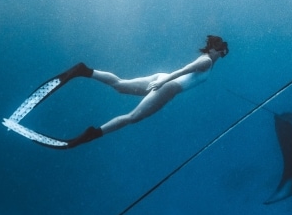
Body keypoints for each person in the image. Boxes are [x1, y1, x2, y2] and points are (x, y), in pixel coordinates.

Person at [59, 35, 229, 148]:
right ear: (217, 50)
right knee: (133, 117)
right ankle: (93, 134)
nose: (222, 53)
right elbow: (185, 70)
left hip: (164, 79)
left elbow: (186, 71)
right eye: (222, 49)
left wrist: (163, 79)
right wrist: (164, 82)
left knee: (120, 85)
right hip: (168, 86)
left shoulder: (206, 60)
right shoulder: (206, 62)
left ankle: (84, 71)